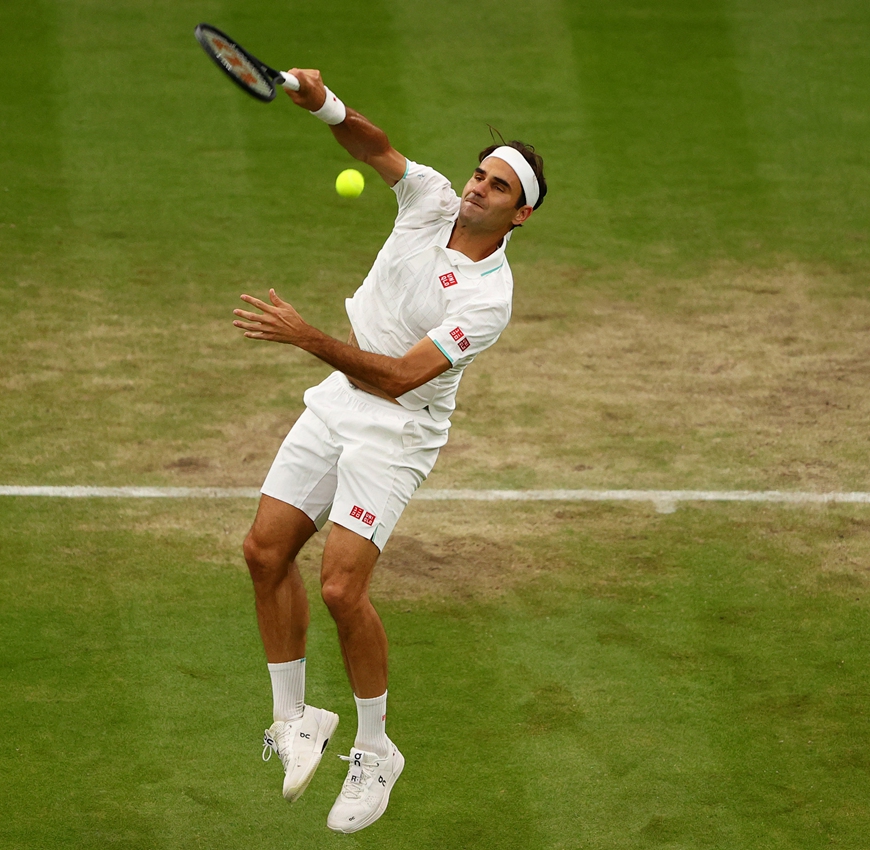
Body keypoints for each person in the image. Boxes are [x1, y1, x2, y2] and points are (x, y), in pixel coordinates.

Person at [233, 67, 547, 833]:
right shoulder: (431, 196)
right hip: (339, 401)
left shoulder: (488, 297)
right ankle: (294, 721)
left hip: (398, 426)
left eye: (498, 186)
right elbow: (374, 147)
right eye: (481, 174)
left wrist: (306, 336)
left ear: (520, 214)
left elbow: (403, 377)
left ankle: (376, 751)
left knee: (342, 590)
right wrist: (323, 103)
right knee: (264, 551)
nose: (477, 188)